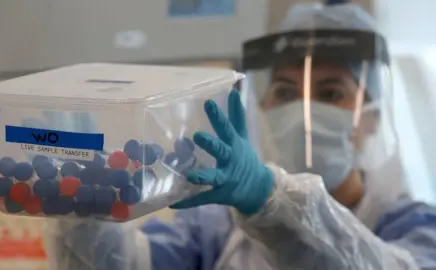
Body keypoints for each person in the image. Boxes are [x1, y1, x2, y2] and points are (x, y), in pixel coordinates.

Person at [42, 2, 436, 270]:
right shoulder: (219, 226)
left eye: (331, 93)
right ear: (263, 108)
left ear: (371, 117)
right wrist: (85, 215)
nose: (302, 112)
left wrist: (271, 201)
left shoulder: (416, 226)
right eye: (284, 91)